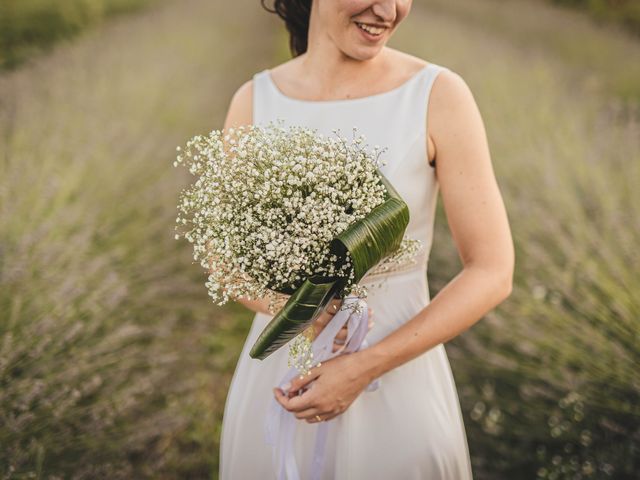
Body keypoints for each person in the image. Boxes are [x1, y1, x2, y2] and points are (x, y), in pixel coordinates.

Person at [219, 0, 515, 478]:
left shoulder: (437, 94)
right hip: (281, 375)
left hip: (398, 375)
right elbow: (223, 259)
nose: (388, 9)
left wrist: (365, 366)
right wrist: (294, 310)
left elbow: (493, 270)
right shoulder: (254, 100)